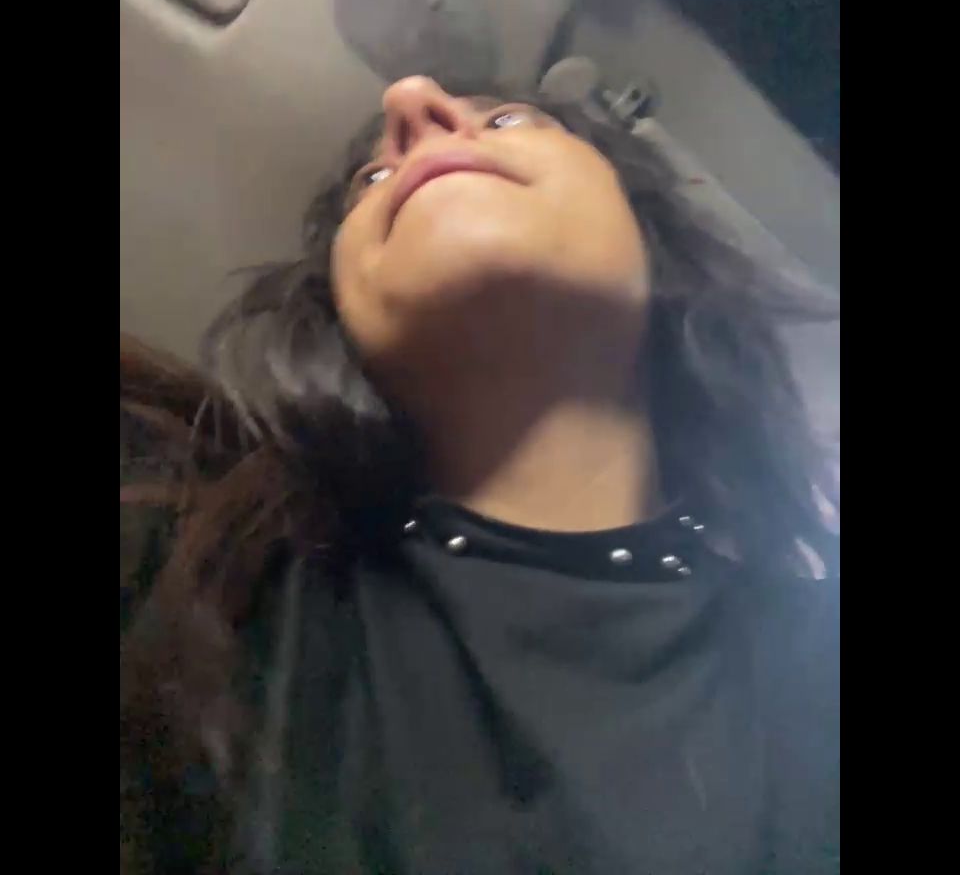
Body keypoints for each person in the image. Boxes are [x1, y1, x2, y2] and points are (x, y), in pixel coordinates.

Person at [120, 76, 840, 874]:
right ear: (341, 322)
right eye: (371, 180)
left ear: (650, 240)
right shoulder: (204, 561)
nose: (411, 98)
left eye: (506, 121)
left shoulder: (818, 677)